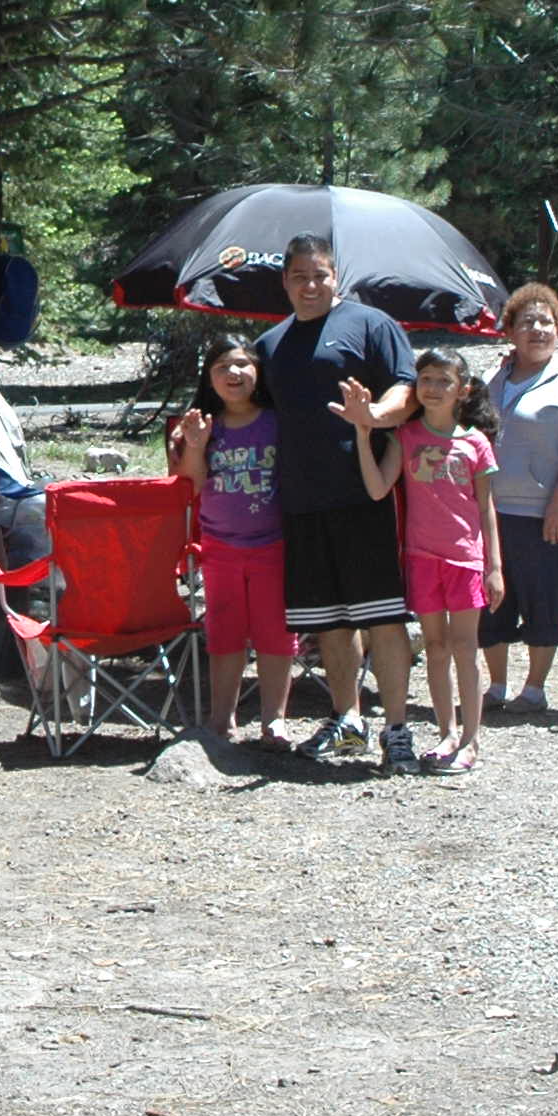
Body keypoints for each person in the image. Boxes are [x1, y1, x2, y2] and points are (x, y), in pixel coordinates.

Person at [256, 234, 420, 772]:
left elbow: (405, 390)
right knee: (328, 622)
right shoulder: (271, 345)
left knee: (382, 616)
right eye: (299, 276)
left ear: (336, 276)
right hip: (301, 500)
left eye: (319, 275)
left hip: (363, 496)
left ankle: (397, 728)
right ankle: (347, 717)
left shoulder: (372, 325)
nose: (310, 285)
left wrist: (372, 417)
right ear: (284, 280)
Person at [346, 347, 503, 774]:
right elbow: (379, 488)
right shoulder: (407, 436)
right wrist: (363, 435)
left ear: (462, 390)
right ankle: (446, 733)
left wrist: (494, 567)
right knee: (434, 648)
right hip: (422, 558)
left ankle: (471, 740)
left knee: (465, 649)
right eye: (426, 379)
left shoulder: (475, 443)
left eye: (443, 381)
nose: (433, 388)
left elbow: (487, 508)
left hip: (465, 560)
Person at [165, 339, 295, 738]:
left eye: (242, 364)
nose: (233, 373)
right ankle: (222, 720)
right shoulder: (202, 424)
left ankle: (274, 719)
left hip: (274, 543)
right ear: (209, 376)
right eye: (222, 366)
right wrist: (196, 445)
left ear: (258, 372)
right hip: (220, 546)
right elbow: (191, 484)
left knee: (276, 633)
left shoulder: (277, 420)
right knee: (224, 634)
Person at [481, 283, 558, 715]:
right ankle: (495, 684)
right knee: (493, 601)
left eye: (545, 321)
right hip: (492, 510)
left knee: (544, 596)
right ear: (510, 330)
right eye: (527, 322)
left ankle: (534, 687)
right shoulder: (494, 378)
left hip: (544, 510)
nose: (537, 330)